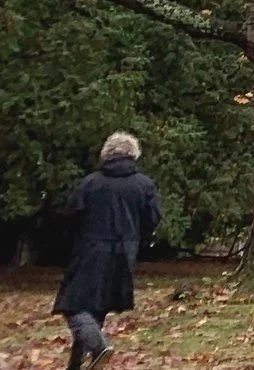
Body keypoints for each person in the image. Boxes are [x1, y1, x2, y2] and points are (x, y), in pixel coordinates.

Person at [53, 132, 159, 370]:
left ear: (106, 154)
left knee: (72, 305)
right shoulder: (144, 185)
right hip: (125, 252)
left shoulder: (91, 183)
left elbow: (70, 215)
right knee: (96, 310)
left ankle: (99, 348)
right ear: (133, 154)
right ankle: (77, 364)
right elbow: (152, 219)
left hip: (90, 250)